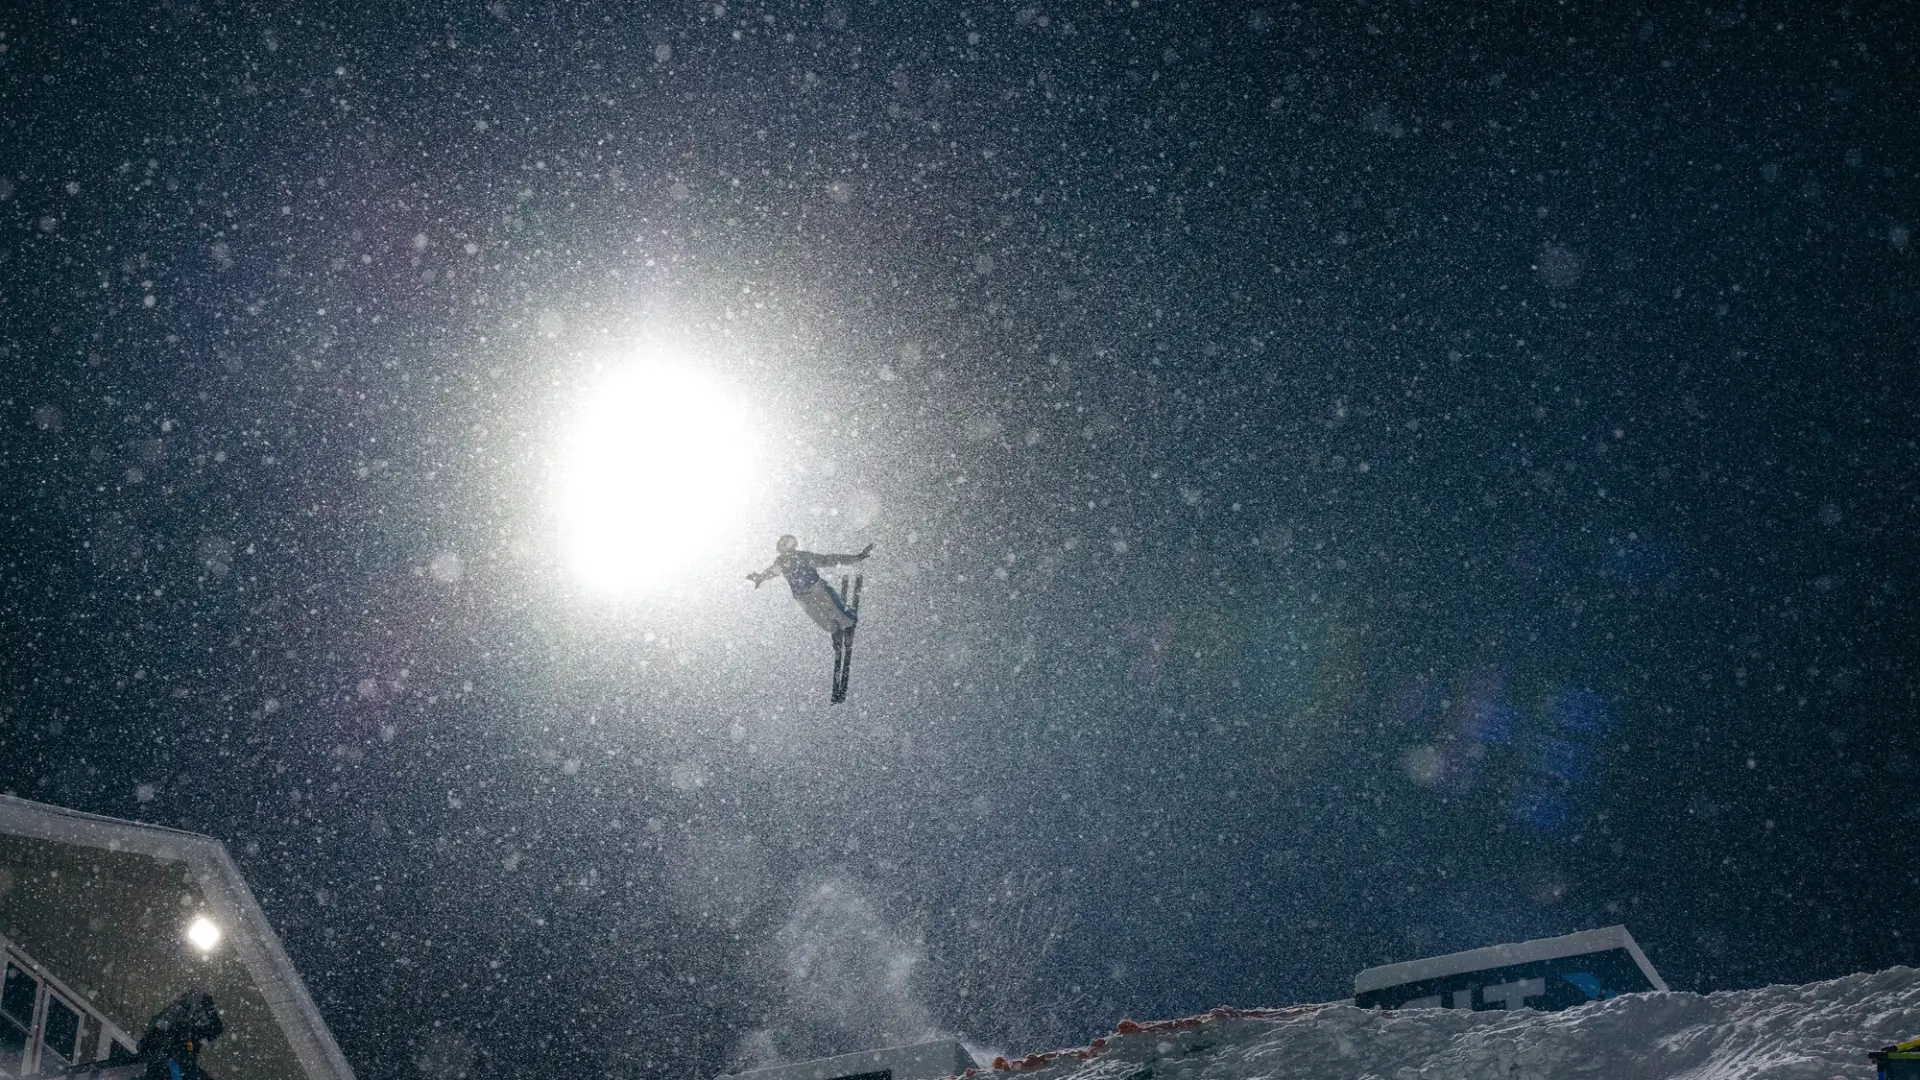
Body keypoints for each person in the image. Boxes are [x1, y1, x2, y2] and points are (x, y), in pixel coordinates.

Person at [749, 535, 872, 701]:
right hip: (802, 597)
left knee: (834, 608)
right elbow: (771, 572)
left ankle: (847, 622)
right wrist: (759, 577)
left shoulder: (802, 556)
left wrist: (856, 558)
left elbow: (828, 559)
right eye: (785, 545)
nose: (788, 549)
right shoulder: (781, 563)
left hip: (816, 588)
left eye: (790, 545)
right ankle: (834, 629)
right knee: (823, 621)